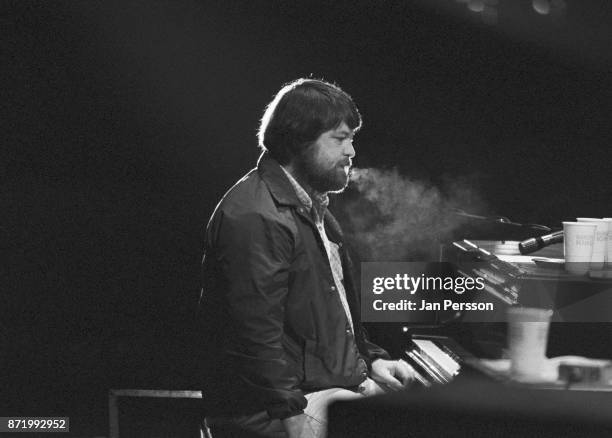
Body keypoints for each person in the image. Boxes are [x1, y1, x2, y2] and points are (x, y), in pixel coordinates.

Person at [198, 78, 415, 438]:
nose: (351, 152)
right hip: (270, 411)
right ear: (300, 139)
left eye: (352, 139)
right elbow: (254, 337)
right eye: (340, 138)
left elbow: (336, 318)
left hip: (316, 390)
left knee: (424, 410)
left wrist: (372, 361)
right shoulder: (256, 216)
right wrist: (292, 418)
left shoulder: (314, 210)